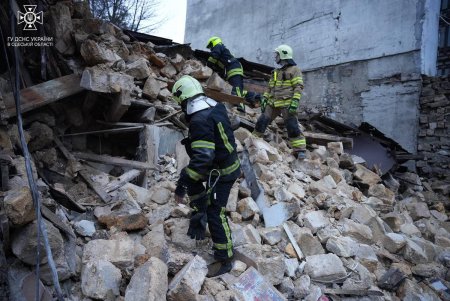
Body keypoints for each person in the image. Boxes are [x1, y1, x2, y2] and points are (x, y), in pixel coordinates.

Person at [172, 75, 241, 276]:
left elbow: (203, 159)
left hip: (223, 172)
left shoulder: (199, 119)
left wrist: (181, 184)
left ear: (183, 98)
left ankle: (225, 258)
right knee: (191, 180)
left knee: (215, 211)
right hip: (220, 164)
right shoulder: (215, 106)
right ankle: (198, 214)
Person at [253, 44, 307, 159]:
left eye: (276, 54)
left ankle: (300, 150)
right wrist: (265, 99)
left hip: (287, 103)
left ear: (283, 55)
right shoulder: (275, 72)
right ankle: (254, 140)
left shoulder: (295, 70)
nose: (275, 57)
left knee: (292, 125)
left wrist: (295, 101)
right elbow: (269, 87)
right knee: (262, 120)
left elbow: (298, 86)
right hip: (273, 103)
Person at [206, 36, 258, 112]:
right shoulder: (222, 53)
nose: (210, 49)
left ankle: (240, 106)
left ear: (214, 42)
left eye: (210, 46)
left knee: (236, 89)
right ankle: (255, 96)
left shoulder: (218, 46)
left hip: (234, 68)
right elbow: (221, 68)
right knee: (235, 90)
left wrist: (207, 65)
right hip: (232, 69)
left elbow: (214, 56)